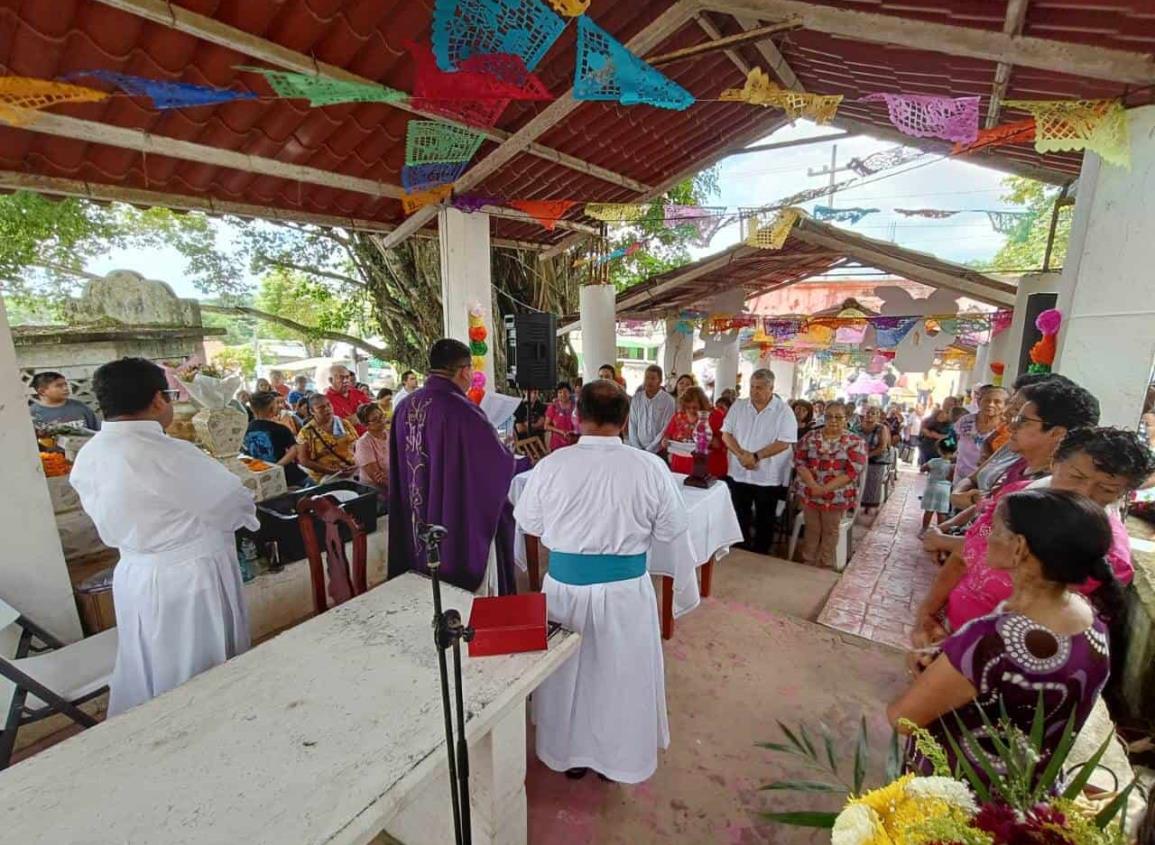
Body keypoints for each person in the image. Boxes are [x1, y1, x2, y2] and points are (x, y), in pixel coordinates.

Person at [514, 380, 689, 783]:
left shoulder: (552, 465)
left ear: (577, 417)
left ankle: (567, 753)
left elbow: (531, 524)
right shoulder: (650, 467)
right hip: (625, 593)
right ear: (626, 420)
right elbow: (670, 529)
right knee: (620, 675)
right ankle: (619, 758)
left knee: (568, 674)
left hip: (566, 591)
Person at [890, 489, 1118, 785]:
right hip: (1024, 791)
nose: (985, 537)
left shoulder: (992, 639)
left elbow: (904, 719)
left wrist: (923, 669)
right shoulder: (1091, 622)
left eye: (995, 529)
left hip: (958, 791)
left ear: (1019, 547)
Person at [69, 357, 257, 716]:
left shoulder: (90, 453)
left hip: (136, 574)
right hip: (189, 578)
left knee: (152, 664)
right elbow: (231, 501)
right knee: (200, 673)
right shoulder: (166, 453)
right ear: (158, 399)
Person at [913, 427, 1149, 655]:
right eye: (1076, 477)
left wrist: (957, 658)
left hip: (1000, 663)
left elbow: (1050, 639)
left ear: (1121, 494)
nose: (1084, 494)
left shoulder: (1107, 555)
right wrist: (927, 615)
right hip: (947, 638)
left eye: (1106, 490)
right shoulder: (1018, 497)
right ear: (1055, 462)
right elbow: (968, 551)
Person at [388, 339, 521, 594]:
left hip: (416, 512)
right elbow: (494, 465)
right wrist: (514, 457)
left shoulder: (404, 407)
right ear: (464, 371)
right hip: (451, 520)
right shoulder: (462, 411)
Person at [721, 369, 798, 555]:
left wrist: (756, 456)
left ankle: (761, 553)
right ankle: (740, 548)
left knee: (765, 517)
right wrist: (741, 455)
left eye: (760, 388)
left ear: (771, 388)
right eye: (752, 387)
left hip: (768, 475)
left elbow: (784, 442)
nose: (755, 391)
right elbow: (726, 434)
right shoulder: (739, 406)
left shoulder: (783, 411)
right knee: (740, 513)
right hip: (739, 470)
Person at [792, 401, 867, 568]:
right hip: (810, 492)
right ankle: (808, 561)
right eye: (829, 416)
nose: (833, 420)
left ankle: (825, 565)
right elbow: (799, 461)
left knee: (830, 531)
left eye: (838, 417)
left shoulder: (855, 442)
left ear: (846, 418)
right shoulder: (811, 437)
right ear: (823, 418)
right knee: (812, 529)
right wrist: (813, 485)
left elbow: (851, 472)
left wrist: (824, 489)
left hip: (837, 495)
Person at [243, 391, 308, 486]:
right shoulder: (280, 429)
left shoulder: (246, 429)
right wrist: (276, 467)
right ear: (271, 409)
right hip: (288, 476)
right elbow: (294, 450)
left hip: (262, 477)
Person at [950, 385, 1008, 486]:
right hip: (960, 477)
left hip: (988, 481)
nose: (991, 404)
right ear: (979, 402)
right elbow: (952, 440)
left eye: (997, 402)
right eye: (987, 400)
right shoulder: (965, 420)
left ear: (1005, 405)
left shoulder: (1007, 427)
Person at [296, 393, 358, 482]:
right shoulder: (306, 432)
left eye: (328, 405)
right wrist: (331, 471)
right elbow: (303, 460)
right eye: (321, 407)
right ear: (312, 411)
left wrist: (357, 465)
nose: (327, 409)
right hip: (326, 475)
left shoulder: (344, 423)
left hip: (353, 468)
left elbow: (357, 445)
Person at [662, 386, 712, 474]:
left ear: (702, 405)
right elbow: (667, 435)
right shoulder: (677, 417)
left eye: (695, 407)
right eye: (688, 407)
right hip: (678, 462)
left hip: (698, 464)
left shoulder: (706, 419)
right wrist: (665, 441)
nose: (691, 410)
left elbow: (716, 443)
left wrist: (706, 441)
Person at [627, 364, 676, 453]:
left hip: (659, 449)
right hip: (637, 449)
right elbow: (632, 424)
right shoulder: (637, 398)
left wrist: (650, 448)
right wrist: (637, 448)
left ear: (660, 381)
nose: (649, 381)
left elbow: (666, 428)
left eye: (653, 378)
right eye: (647, 378)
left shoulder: (668, 401)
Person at [28, 371, 100, 431]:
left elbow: (97, 430)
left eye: (65, 384)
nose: (65, 388)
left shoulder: (80, 407)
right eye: (59, 386)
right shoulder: (32, 414)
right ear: (42, 391)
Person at [354, 402, 389, 502]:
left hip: (395, 482)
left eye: (381, 416)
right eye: (375, 420)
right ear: (365, 425)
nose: (381, 421)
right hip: (375, 491)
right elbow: (377, 478)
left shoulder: (391, 434)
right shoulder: (363, 443)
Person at [859, 405, 893, 510]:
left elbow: (882, 447)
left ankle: (869, 506)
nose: (869, 415)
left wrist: (867, 456)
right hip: (859, 458)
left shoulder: (882, 428)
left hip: (876, 459)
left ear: (877, 417)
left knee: (871, 476)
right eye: (868, 412)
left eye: (873, 413)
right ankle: (854, 503)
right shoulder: (857, 426)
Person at [919, 440, 955, 535]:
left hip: (932, 487)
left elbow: (922, 468)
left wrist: (927, 468)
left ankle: (924, 529)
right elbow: (951, 478)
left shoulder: (934, 461)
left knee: (929, 510)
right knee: (942, 512)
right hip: (945, 490)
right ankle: (940, 532)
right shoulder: (953, 465)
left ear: (939, 450)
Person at [324, 364, 371, 434]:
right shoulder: (325, 401)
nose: (345, 380)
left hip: (369, 437)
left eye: (347, 377)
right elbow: (332, 427)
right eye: (341, 377)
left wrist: (353, 419)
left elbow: (373, 412)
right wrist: (360, 416)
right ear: (331, 380)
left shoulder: (358, 393)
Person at [544, 382, 578, 451]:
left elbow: (582, 424)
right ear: (557, 394)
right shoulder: (553, 407)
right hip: (557, 445)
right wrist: (561, 432)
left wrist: (574, 432)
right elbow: (546, 426)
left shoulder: (577, 407)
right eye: (560, 392)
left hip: (574, 443)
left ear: (570, 393)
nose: (563, 394)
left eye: (565, 392)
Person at [708, 395, 731, 479]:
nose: (718, 410)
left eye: (721, 408)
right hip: (709, 462)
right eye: (716, 407)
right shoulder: (711, 418)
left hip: (722, 463)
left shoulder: (731, 425)